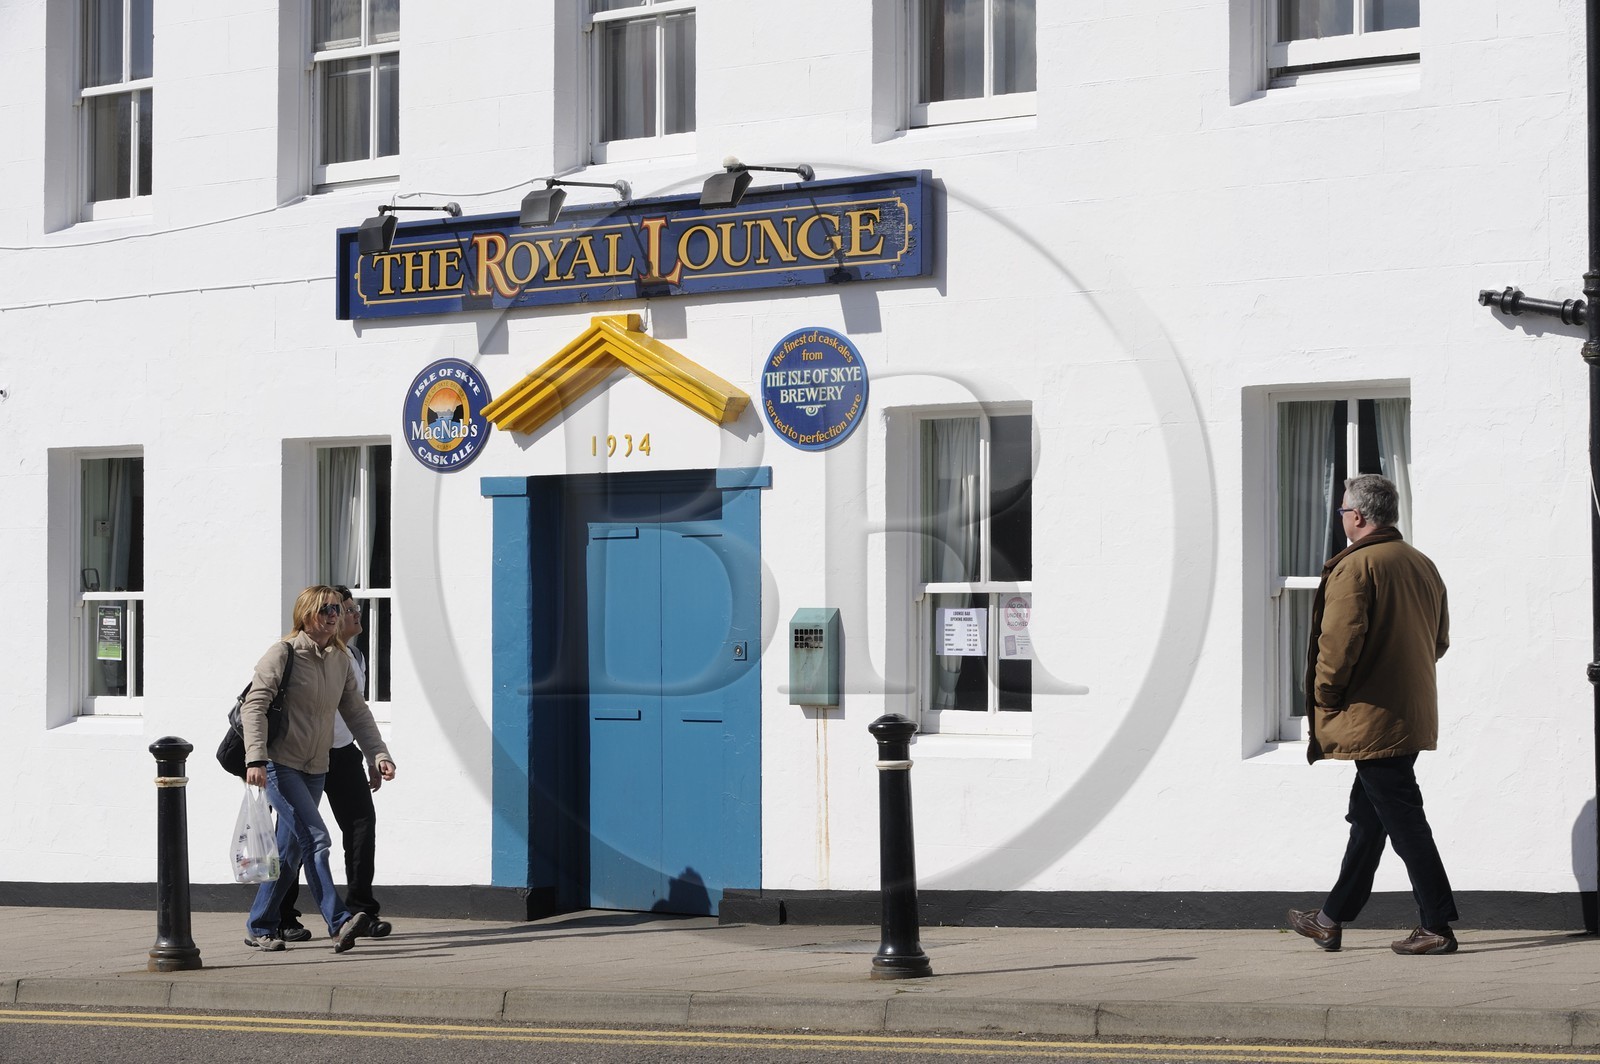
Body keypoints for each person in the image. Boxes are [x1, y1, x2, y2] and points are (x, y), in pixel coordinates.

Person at [1287, 474, 1459, 956]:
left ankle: (1437, 926)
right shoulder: (1422, 564)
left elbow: (1337, 646)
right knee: (1369, 819)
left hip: (1371, 718)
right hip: (1408, 713)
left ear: (1358, 517)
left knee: (1404, 822)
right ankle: (1329, 919)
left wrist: (1325, 695)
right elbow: (1439, 641)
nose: (1341, 517)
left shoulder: (1356, 567)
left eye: (1342, 510)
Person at [241, 585, 397, 953]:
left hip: (316, 766)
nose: (333, 615)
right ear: (307, 613)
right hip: (281, 765)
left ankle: (259, 923)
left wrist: (379, 754)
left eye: (336, 610)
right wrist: (255, 759)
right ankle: (339, 922)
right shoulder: (283, 653)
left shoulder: (339, 659)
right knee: (317, 838)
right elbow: (254, 707)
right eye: (325, 609)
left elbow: (357, 713)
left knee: (290, 852)